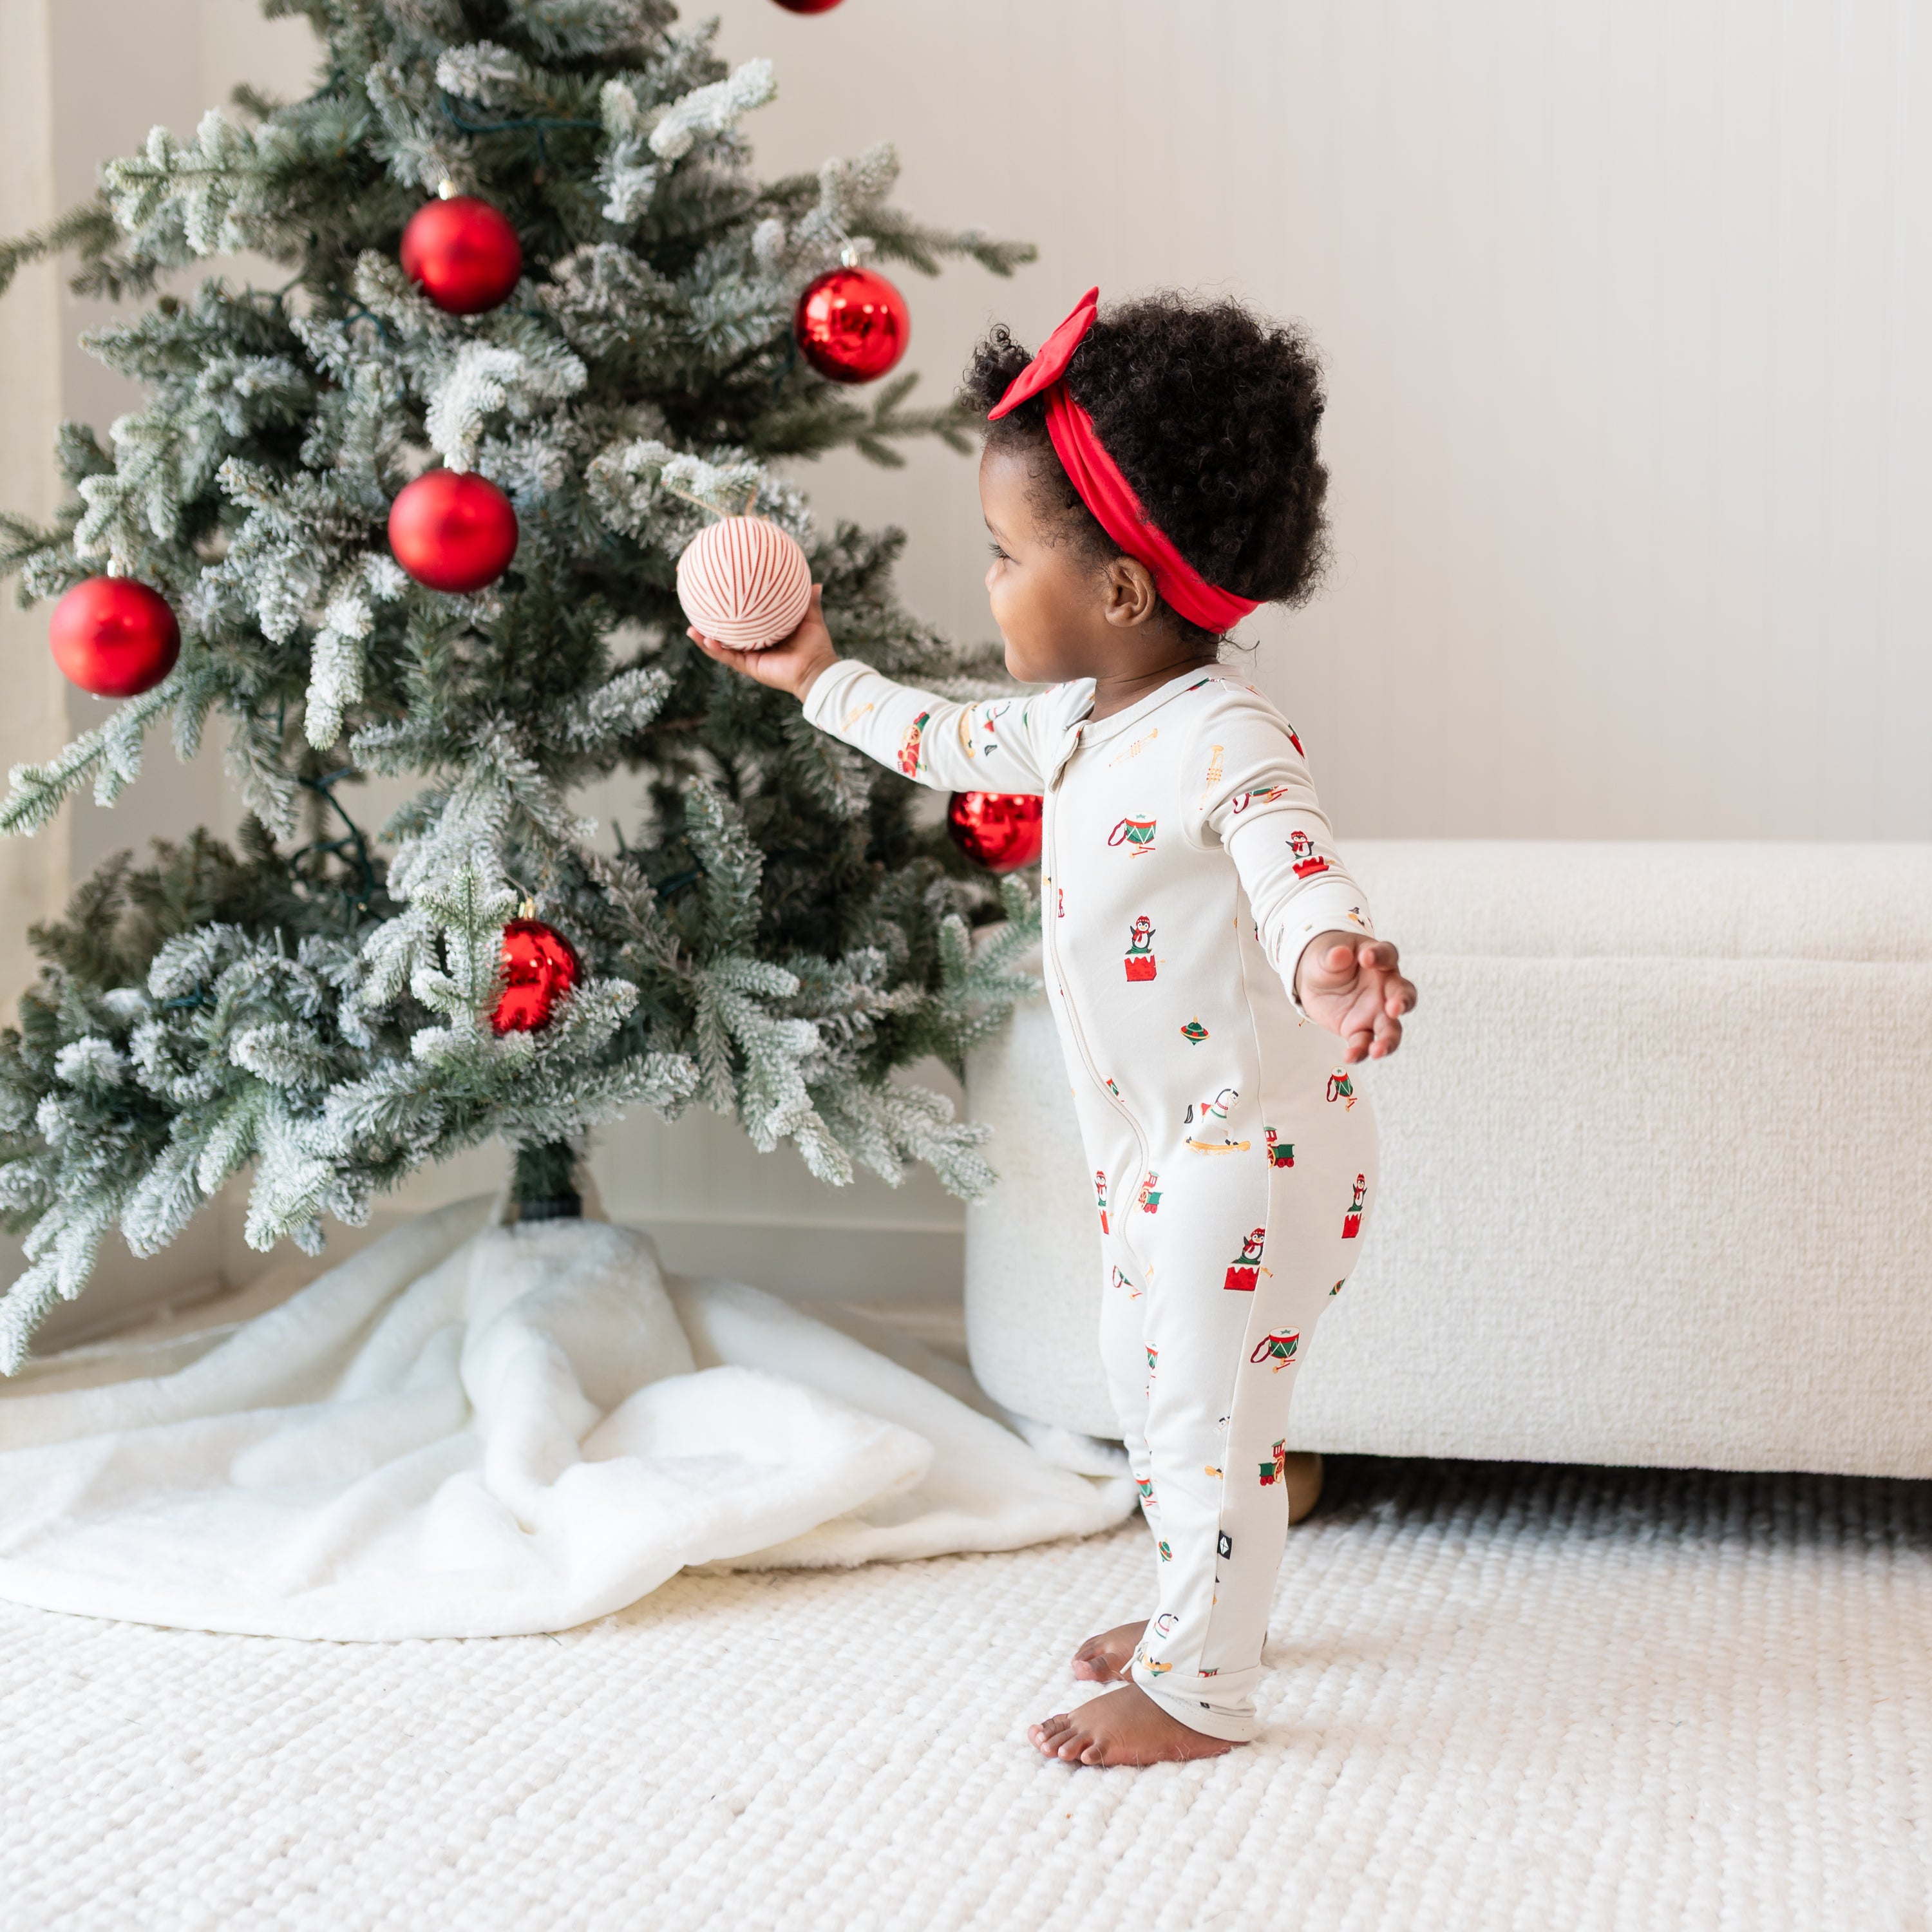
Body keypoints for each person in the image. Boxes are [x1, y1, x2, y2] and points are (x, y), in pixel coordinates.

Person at [690, 287, 1417, 1767]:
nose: (991, 580)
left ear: (1127, 593)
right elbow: (934, 735)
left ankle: (1198, 1691)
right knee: (1158, 1397)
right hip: (1153, 1153)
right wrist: (811, 672)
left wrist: (1332, 952)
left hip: (1253, 1154)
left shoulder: (1227, 733)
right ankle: (1200, 1610)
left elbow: (1289, 855)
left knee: (1208, 1418)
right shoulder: (1079, 717)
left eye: (1011, 555)